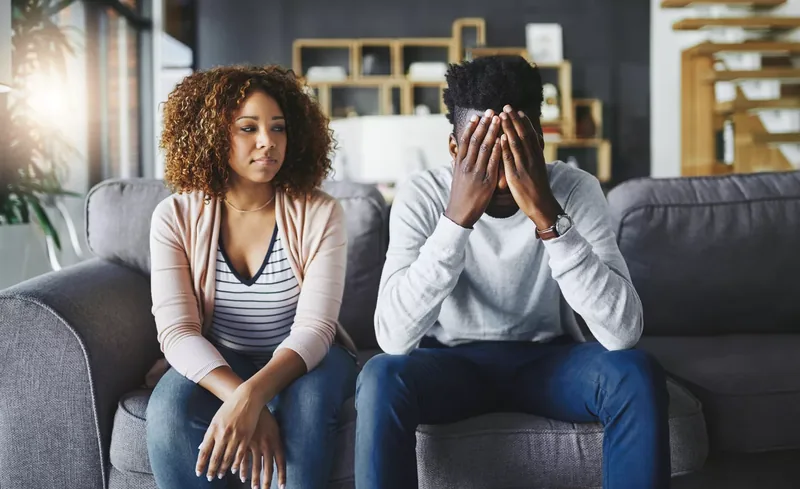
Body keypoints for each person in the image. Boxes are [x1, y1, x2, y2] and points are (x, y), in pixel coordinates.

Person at [355, 55, 670, 489]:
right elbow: (392, 337)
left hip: (549, 360)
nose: (502, 178)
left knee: (636, 371)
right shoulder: (423, 194)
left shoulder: (575, 189)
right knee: (379, 376)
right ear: (454, 149)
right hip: (449, 362)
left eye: (516, 150)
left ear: (539, 143)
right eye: (483, 152)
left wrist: (547, 217)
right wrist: (456, 220)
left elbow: (623, 332)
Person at [146, 65, 358, 489]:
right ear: (210, 136)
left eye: (278, 127)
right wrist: (243, 399)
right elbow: (177, 332)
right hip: (225, 353)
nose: (268, 141)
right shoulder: (174, 217)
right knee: (169, 409)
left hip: (308, 359)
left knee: (309, 405)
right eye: (248, 128)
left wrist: (253, 394)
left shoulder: (321, 213)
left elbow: (316, 329)